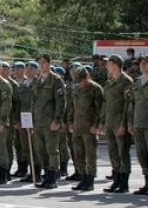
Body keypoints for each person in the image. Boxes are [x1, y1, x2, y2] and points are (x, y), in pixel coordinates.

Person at [100, 54, 134, 193]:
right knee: (113, 152)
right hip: (110, 122)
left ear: (115, 65)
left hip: (120, 122)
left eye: (108, 64)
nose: (106, 66)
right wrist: (102, 122)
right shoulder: (110, 82)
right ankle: (116, 180)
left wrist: (123, 124)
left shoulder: (126, 82)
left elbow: (128, 105)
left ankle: (124, 183)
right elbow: (105, 104)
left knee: (122, 153)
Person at [32, 54, 66, 189]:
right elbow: (33, 102)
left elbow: (61, 102)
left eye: (44, 62)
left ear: (50, 63)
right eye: (39, 63)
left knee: (52, 150)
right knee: (41, 150)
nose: (41, 65)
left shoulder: (56, 80)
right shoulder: (37, 81)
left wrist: (57, 120)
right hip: (38, 121)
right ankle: (46, 175)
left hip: (50, 121)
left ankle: (53, 176)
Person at [67, 67, 103, 192]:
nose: (79, 83)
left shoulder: (96, 89)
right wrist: (70, 122)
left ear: (86, 77)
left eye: (81, 80)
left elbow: (100, 110)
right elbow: (72, 107)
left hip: (89, 128)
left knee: (90, 155)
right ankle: (82, 178)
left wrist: (96, 125)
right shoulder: (76, 89)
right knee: (78, 155)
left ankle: (90, 180)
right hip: (77, 126)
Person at [16, 61, 40, 182]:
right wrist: (17, 120)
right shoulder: (23, 85)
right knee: (26, 147)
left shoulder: (38, 84)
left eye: (32, 68)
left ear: (37, 71)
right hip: (23, 118)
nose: (29, 70)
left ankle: (37, 173)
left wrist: (35, 122)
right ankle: (31, 172)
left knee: (36, 148)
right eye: (27, 68)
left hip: (35, 119)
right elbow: (18, 104)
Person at [127, 56, 148, 195]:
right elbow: (132, 104)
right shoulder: (137, 82)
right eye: (142, 63)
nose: (143, 65)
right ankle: (147, 183)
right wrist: (130, 122)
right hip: (139, 123)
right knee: (142, 155)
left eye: (146, 63)